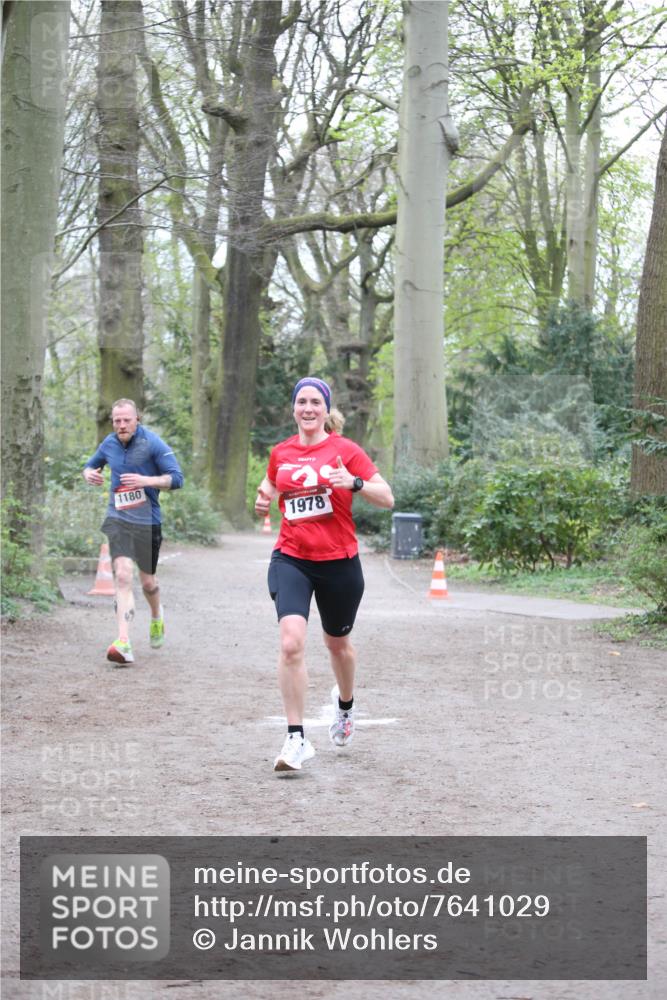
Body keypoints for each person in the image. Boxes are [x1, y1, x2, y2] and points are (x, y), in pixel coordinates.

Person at [255, 376, 394, 773]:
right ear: (294, 408)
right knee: (291, 644)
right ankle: (296, 738)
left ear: (326, 409)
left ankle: (345, 705)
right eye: (302, 402)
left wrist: (353, 482)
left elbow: (387, 497)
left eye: (316, 401)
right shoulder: (281, 452)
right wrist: (263, 500)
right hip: (291, 558)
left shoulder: (344, 450)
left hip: (339, 563)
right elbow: (269, 486)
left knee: (338, 646)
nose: (308, 408)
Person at [82, 398, 184, 665]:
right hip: (118, 518)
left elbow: (177, 478)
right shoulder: (109, 443)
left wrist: (146, 480)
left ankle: (156, 615)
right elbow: (90, 465)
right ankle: (123, 641)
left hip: (147, 521)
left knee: (148, 581)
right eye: (117, 420)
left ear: (137, 419)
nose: (122, 425)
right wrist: (89, 474)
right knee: (124, 576)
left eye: (127, 420)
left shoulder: (152, 443)